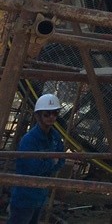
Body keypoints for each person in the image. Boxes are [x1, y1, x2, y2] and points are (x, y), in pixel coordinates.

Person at [7, 94, 66, 224]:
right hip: (24, 197)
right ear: (37, 116)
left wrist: (49, 163)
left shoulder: (55, 137)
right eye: (47, 114)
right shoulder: (29, 140)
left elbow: (61, 160)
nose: (51, 117)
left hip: (40, 196)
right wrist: (52, 161)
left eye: (55, 113)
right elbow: (34, 167)